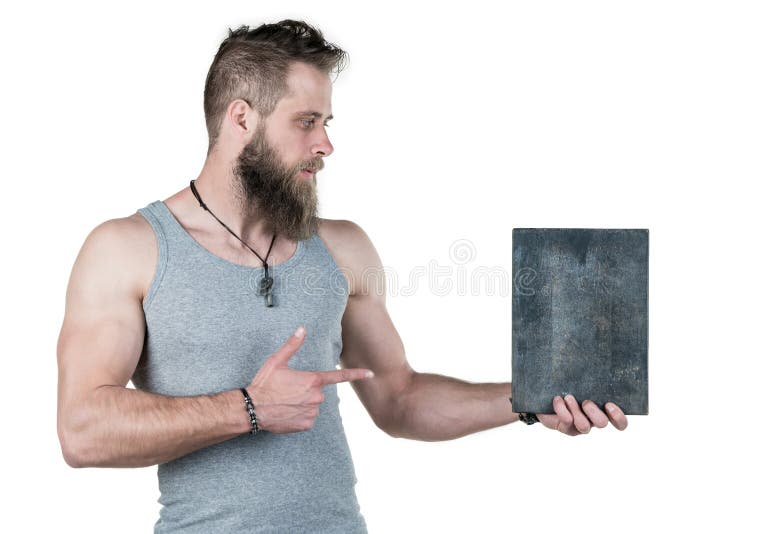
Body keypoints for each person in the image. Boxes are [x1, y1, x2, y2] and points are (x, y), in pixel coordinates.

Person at [56, 20, 629, 533]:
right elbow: (81, 430)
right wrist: (249, 408)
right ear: (241, 118)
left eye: (325, 122)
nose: (325, 144)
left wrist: (529, 399)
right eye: (306, 122)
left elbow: (399, 399)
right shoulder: (127, 249)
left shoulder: (342, 247)